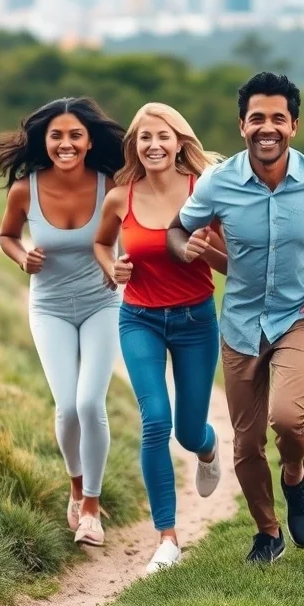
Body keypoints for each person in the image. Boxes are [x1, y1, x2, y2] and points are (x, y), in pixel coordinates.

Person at [166, 72, 304, 564]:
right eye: (257, 118)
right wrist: (187, 248)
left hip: (299, 315)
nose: (267, 127)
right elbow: (178, 229)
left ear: (293, 126)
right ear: (242, 125)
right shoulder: (220, 182)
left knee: (287, 418)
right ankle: (267, 531)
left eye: (277, 118)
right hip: (239, 323)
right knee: (245, 442)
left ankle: (296, 474)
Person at [93, 103, 227, 574]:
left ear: (179, 143)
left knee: (189, 431)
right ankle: (167, 538)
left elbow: (232, 264)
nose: (154, 144)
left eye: (163, 136)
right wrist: (115, 269)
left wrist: (205, 251)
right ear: (134, 145)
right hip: (139, 320)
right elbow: (100, 243)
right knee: (155, 422)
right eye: (144, 137)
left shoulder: (205, 192)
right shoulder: (119, 197)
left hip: (195, 321)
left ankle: (209, 448)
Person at [0, 97, 126, 548]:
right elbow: (7, 236)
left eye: (75, 135)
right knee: (66, 407)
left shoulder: (111, 186)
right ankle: (76, 486)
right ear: (44, 141)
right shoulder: (24, 190)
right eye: (57, 136)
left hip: (102, 304)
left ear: (90, 141)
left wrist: (119, 266)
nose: (66, 143)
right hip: (48, 307)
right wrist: (21, 257)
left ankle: (92, 507)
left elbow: (126, 242)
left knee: (91, 404)